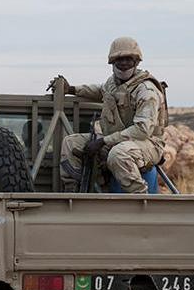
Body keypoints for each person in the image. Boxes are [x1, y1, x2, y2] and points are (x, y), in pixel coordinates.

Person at [48, 37, 168, 193]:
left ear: (136, 62)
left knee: (118, 155)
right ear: (112, 62)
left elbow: (142, 130)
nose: (124, 63)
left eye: (128, 59)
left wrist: (103, 141)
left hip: (147, 143)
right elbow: (100, 91)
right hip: (117, 141)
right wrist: (70, 89)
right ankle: (73, 192)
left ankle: (141, 198)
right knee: (71, 143)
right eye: (119, 59)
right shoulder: (113, 83)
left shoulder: (146, 90)